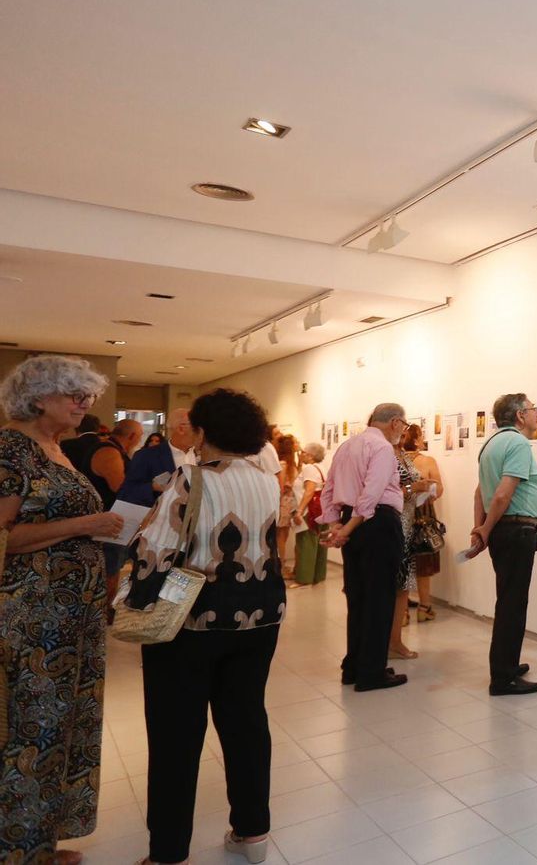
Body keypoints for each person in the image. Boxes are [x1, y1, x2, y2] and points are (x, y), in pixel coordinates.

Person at [126, 388, 285, 865]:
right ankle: (252, 833)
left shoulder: (189, 480)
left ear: (201, 432)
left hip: (191, 621)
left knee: (176, 735)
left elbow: (153, 551)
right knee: (246, 721)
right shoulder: (267, 481)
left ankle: (169, 853)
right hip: (260, 615)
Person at [0, 356, 124, 865]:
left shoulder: (56, 449)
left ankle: (42, 841)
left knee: (63, 727)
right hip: (33, 619)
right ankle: (19, 851)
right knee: (31, 730)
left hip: (72, 617)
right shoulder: (10, 447)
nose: (84, 404)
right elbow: (5, 536)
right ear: (37, 397)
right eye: (73, 393)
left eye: (88, 395)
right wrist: (81, 525)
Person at [319, 404, 409, 692]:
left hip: (353, 524)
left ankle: (354, 666)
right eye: (404, 426)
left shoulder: (348, 445)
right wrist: (345, 529)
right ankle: (372, 671)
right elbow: (371, 495)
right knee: (380, 598)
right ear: (395, 422)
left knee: (358, 598)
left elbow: (329, 489)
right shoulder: (381, 448)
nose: (403, 432)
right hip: (377, 524)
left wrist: (336, 525)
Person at [468, 393, 537, 696]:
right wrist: (485, 529)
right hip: (515, 531)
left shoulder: (491, 444)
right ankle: (503, 677)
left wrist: (480, 528)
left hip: (505, 531)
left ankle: (507, 665)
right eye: (532, 409)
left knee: (509, 602)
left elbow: (480, 493)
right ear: (519, 416)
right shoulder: (517, 444)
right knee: (513, 605)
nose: (536, 414)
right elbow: (501, 494)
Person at [386, 429, 435, 661]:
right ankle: (387, 642)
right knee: (390, 586)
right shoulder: (386, 454)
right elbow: (385, 492)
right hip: (391, 525)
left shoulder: (403, 457)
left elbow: (407, 490)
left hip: (407, 523)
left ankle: (394, 641)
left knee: (403, 585)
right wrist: (413, 489)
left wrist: (421, 490)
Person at [400, 425, 443, 622]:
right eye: (421, 436)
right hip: (422, 514)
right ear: (416, 440)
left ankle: (402, 612)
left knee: (403, 561)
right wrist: (429, 496)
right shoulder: (427, 461)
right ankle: (424, 608)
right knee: (423, 560)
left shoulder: (396, 460)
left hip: (399, 513)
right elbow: (438, 489)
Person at [293, 442, 329, 586]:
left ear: (311, 455)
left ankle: (304, 578)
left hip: (310, 511)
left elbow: (309, 491)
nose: (300, 454)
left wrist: (299, 511)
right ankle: (318, 575)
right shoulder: (322, 468)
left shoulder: (309, 469)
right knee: (320, 542)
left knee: (306, 543)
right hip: (322, 508)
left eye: (303, 452)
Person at [274, 434, 300, 583]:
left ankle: (282, 566)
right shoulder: (283, 464)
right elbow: (281, 486)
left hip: (288, 503)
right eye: (296, 442)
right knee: (281, 537)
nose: (298, 444)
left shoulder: (291, 464)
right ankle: (281, 567)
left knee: (284, 536)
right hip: (283, 503)